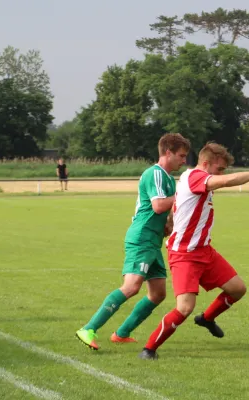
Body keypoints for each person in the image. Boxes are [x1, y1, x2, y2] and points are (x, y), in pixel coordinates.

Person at [138, 142, 249, 360]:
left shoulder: (195, 180)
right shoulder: (195, 176)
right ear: (205, 164)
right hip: (185, 254)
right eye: (219, 169)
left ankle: (206, 319)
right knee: (184, 308)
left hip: (204, 251)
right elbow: (225, 181)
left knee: (237, 289)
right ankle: (149, 349)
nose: (221, 174)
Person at [75, 133, 191, 350]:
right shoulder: (154, 174)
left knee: (158, 294)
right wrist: (186, 195)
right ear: (167, 153)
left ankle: (121, 333)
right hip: (141, 239)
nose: (184, 161)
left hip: (153, 241)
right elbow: (157, 206)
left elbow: (163, 213)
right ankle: (88, 328)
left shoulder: (167, 178)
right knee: (131, 286)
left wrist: (170, 226)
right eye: (181, 156)